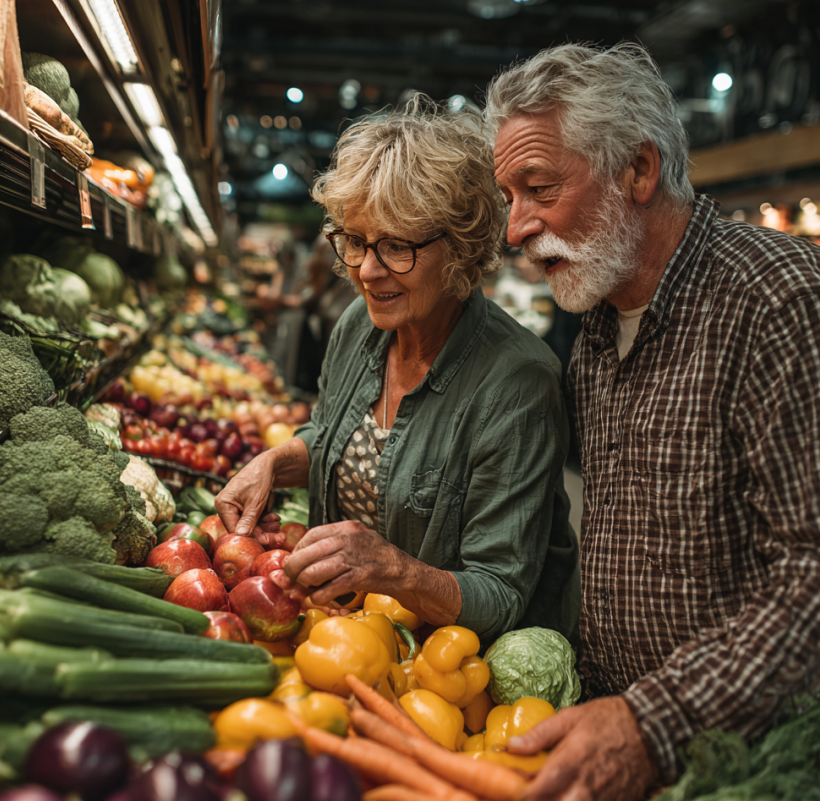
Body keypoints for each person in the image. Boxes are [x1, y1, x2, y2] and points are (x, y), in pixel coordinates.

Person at [486, 43, 820, 801]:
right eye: (509, 196)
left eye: (538, 188)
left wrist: (656, 722)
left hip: (755, 781)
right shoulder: (596, 325)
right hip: (618, 752)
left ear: (638, 172)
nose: (515, 229)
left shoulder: (780, 302)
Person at [215, 96, 579, 640]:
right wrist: (277, 461)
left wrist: (393, 570)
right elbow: (339, 437)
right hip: (348, 637)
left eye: (395, 246)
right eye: (356, 241)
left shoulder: (516, 383)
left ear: (458, 246)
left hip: (455, 675)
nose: (366, 269)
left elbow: (501, 593)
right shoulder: (358, 329)